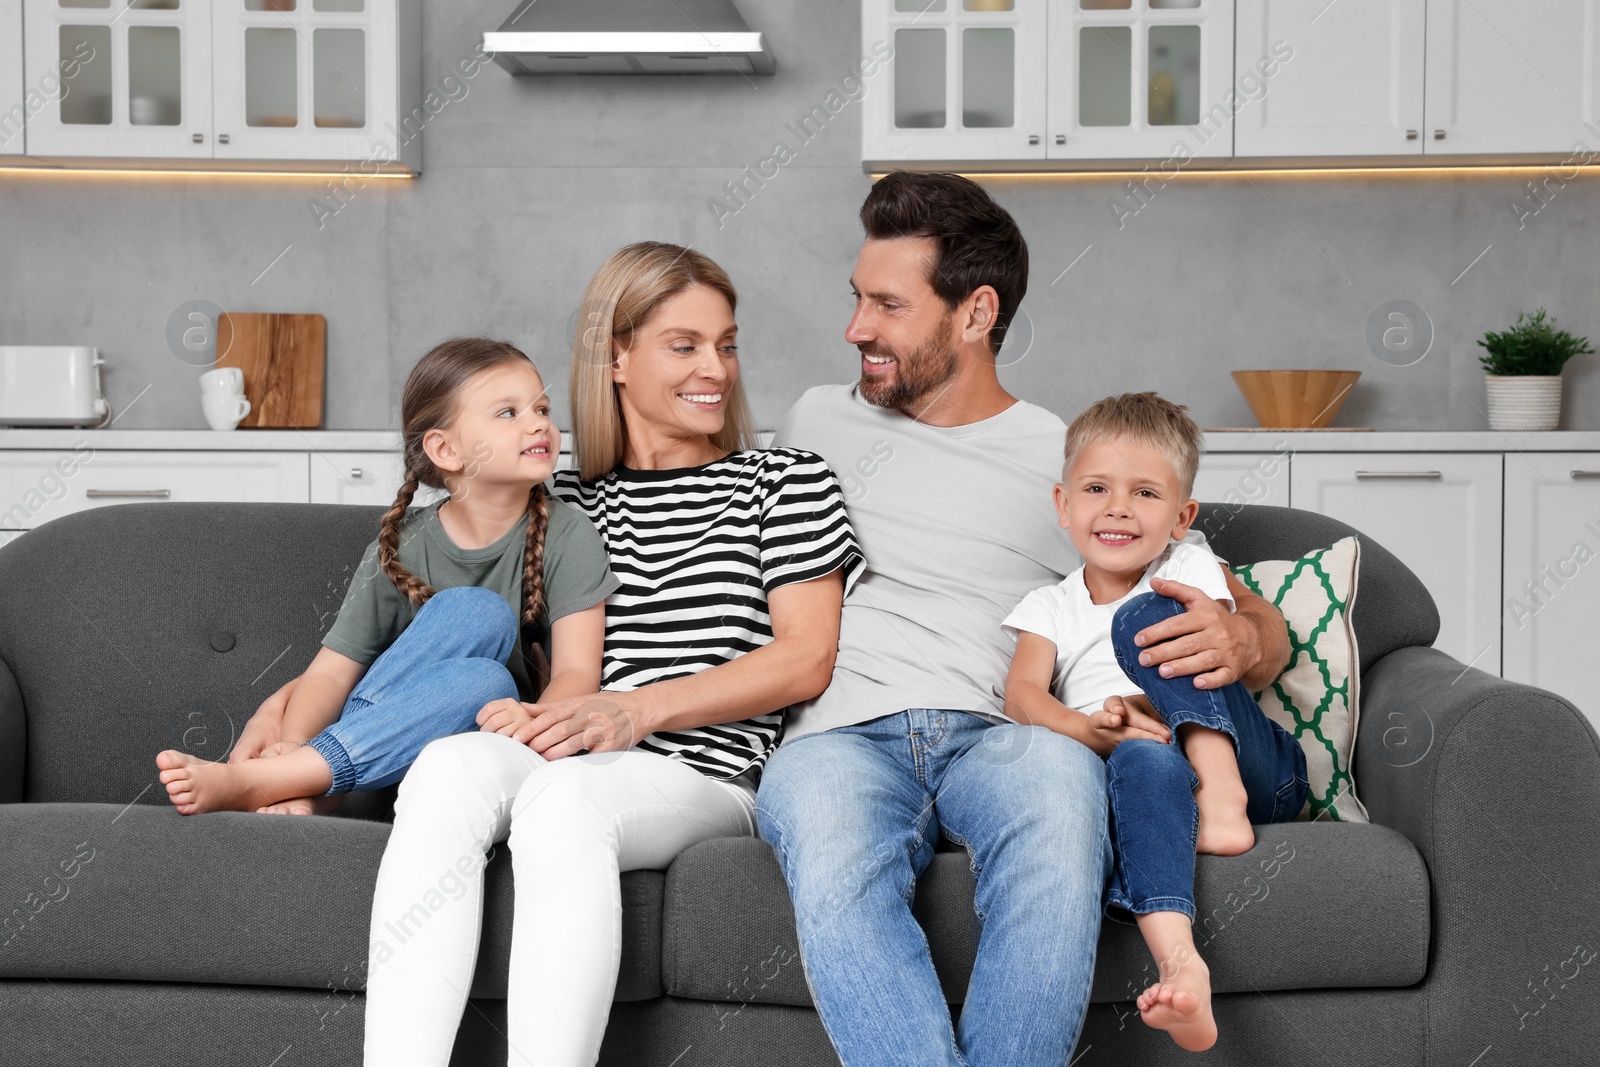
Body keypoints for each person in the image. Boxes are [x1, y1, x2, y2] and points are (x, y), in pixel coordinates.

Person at [230, 243, 863, 1067]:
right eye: (686, 344)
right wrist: (280, 714)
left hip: (704, 773)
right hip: (559, 746)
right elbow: (400, 640)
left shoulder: (784, 480)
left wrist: (631, 709)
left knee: (564, 801)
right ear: (616, 359)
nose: (717, 368)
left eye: (727, 344)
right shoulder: (556, 505)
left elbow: (805, 658)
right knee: (449, 767)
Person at [756, 171, 1293, 1066]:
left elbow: (1235, 604)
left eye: (887, 306)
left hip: (1008, 731)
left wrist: (1243, 639)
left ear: (975, 313)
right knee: (834, 858)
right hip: (839, 735)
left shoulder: (1069, 458)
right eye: (856, 300)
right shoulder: (815, 421)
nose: (856, 329)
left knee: (1059, 821)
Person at [155, 338, 617, 815]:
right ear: (445, 449)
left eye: (541, 407)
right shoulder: (403, 544)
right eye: (508, 413)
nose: (539, 421)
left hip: (482, 758)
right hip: (383, 759)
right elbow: (331, 673)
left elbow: (577, 673)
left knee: (485, 682)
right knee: (474, 612)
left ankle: (292, 781)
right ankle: (297, 776)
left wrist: (529, 719)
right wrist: (291, 746)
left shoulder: (567, 532)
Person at [1002, 390, 1309, 1053]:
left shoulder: (1188, 565)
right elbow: (1023, 695)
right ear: (1063, 504)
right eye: (1096, 487)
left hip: (1260, 776)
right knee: (1140, 759)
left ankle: (1221, 792)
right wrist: (1093, 729)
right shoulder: (1048, 605)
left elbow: (1217, 654)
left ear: (1181, 515)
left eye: (1145, 492)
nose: (1117, 506)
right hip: (1153, 775)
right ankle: (1181, 967)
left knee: (1144, 618)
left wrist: (1154, 707)